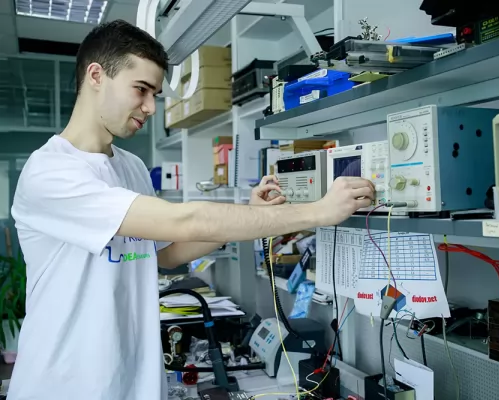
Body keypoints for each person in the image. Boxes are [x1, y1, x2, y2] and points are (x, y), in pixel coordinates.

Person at [8, 19, 374, 400]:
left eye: (154, 95)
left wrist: (249, 213)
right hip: (64, 386)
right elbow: (186, 220)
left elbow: (166, 253)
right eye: (141, 89)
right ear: (96, 75)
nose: (150, 107)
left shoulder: (131, 167)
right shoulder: (50, 172)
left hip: (133, 383)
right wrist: (318, 212)